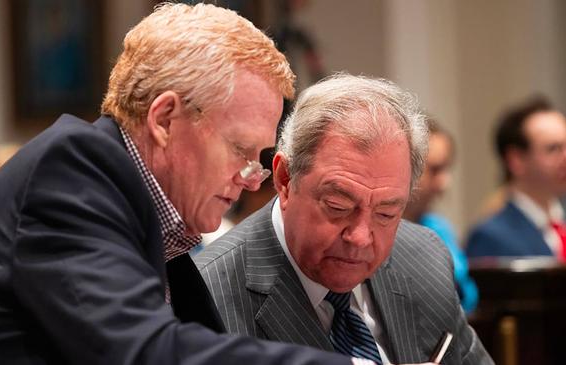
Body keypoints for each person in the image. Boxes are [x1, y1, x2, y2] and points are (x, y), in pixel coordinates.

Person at [0, 4, 416, 365]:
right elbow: (145, 352)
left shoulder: (159, 222)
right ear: (164, 119)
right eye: (241, 151)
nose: (250, 180)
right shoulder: (72, 171)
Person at [196, 74, 493, 365]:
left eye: (386, 214)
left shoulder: (423, 258)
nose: (361, 237)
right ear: (285, 179)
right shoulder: (205, 298)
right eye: (338, 206)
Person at [465, 96, 566, 259]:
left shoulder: (559, 225)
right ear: (516, 160)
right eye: (553, 149)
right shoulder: (491, 238)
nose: (565, 157)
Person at [402, 119, 479, 314]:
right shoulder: (377, 234)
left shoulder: (438, 227)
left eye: (447, 169)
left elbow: (467, 297)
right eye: (435, 170)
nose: (444, 183)